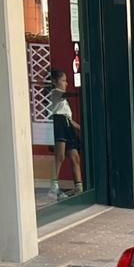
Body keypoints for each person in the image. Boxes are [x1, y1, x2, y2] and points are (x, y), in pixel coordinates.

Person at [49, 69, 83, 199]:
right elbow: (62, 97)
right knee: (60, 156)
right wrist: (78, 93)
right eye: (63, 80)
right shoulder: (54, 94)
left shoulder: (63, 99)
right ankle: (54, 187)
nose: (66, 83)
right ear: (54, 81)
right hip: (59, 123)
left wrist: (78, 127)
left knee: (75, 157)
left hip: (67, 124)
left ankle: (79, 186)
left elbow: (67, 116)